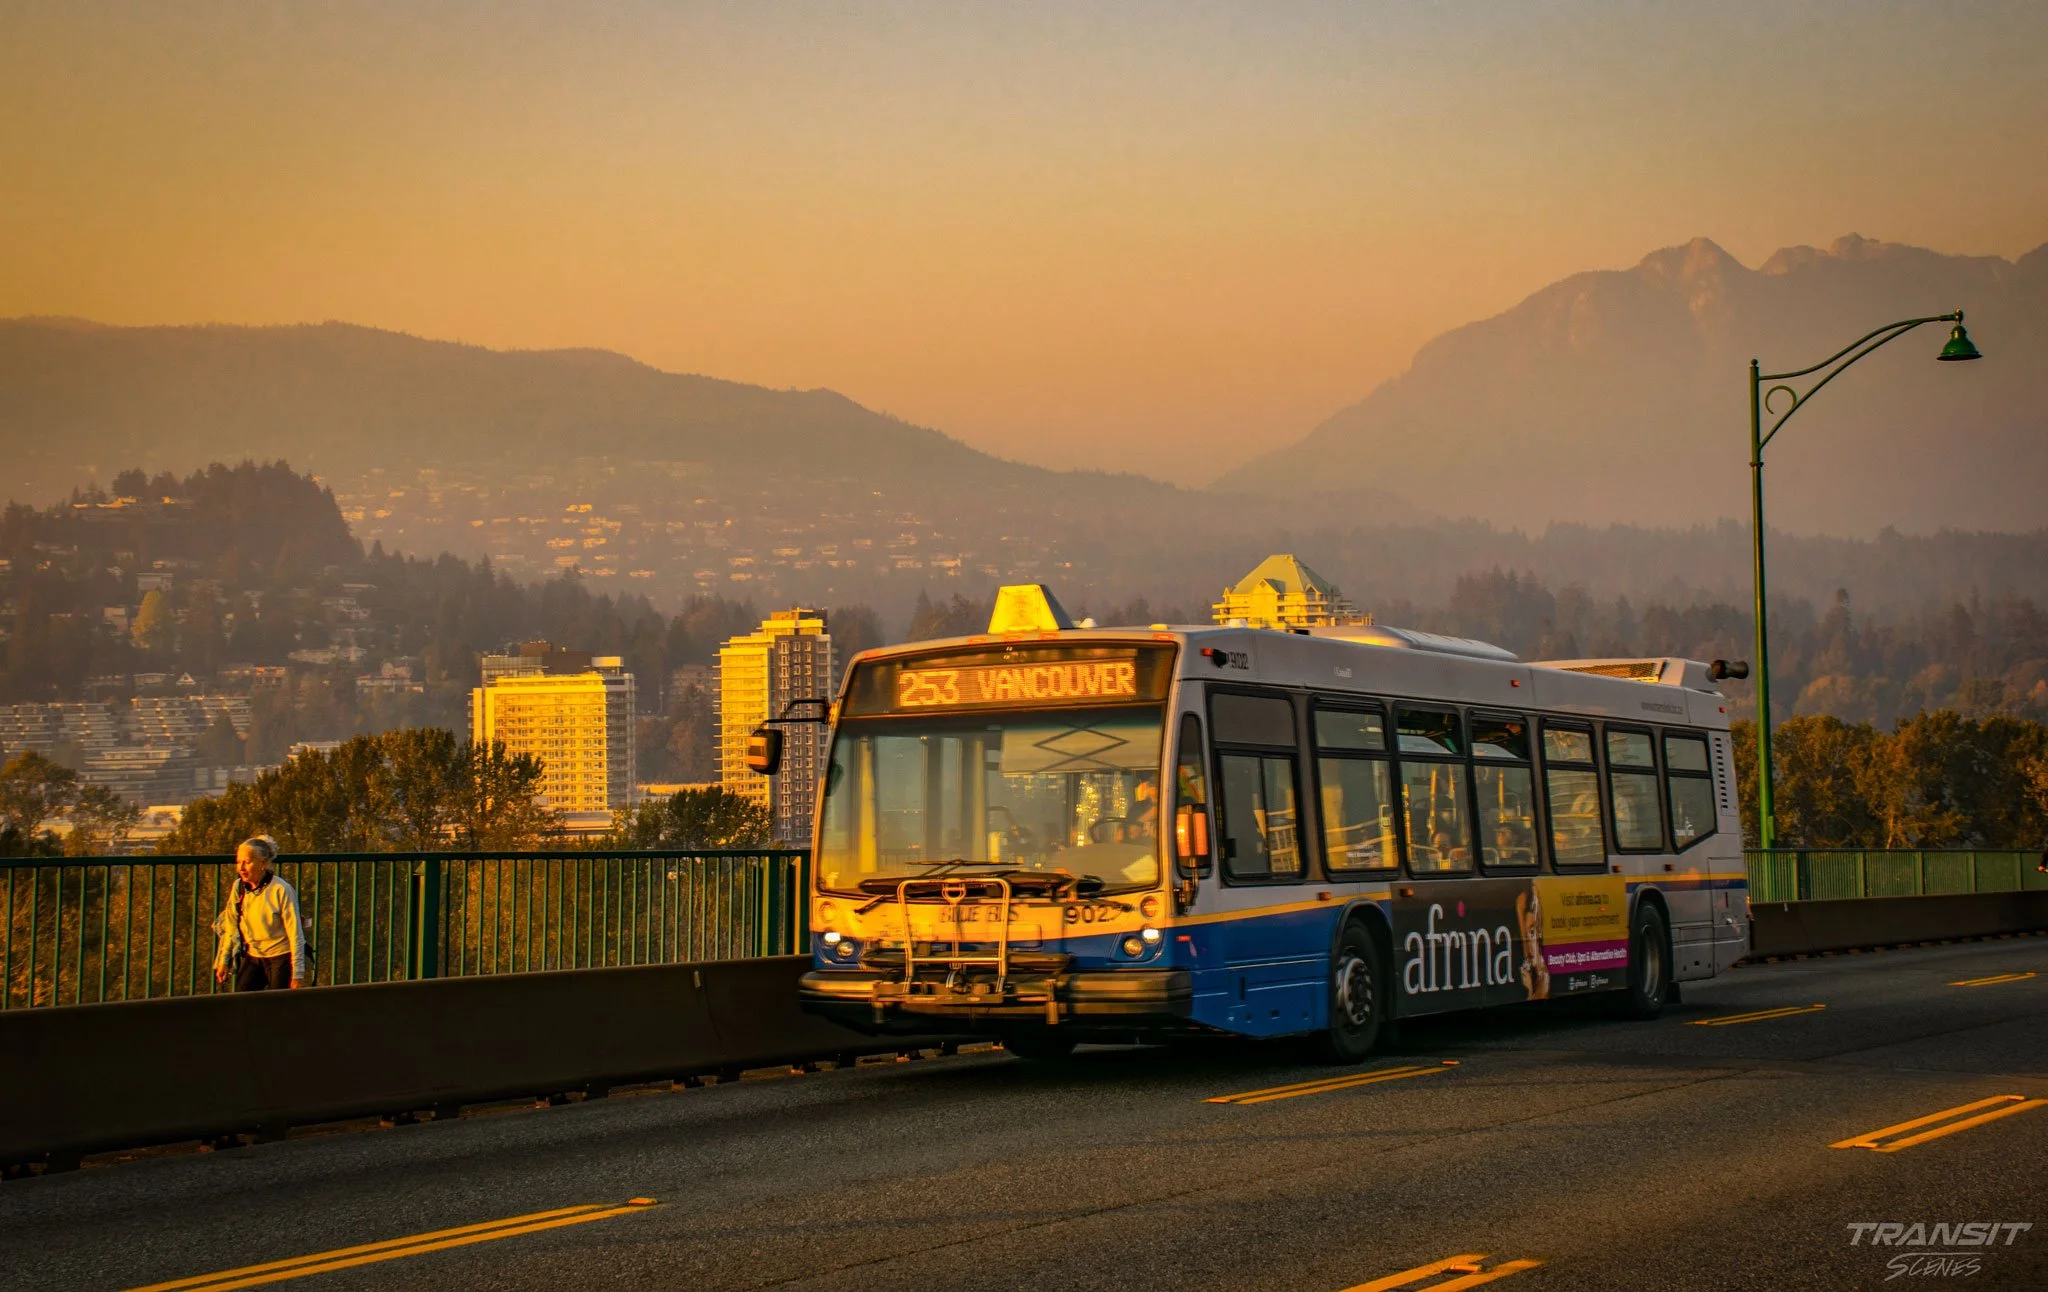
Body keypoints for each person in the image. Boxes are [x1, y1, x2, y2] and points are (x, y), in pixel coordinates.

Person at [212, 836, 308, 992]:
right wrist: (224, 960)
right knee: (242, 1001)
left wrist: (297, 974)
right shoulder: (239, 887)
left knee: (276, 1006)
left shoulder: (281, 889)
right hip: (253, 955)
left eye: (247, 862)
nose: (241, 868)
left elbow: (295, 934)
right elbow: (231, 925)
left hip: (281, 957)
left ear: (263, 864)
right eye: (238, 862)